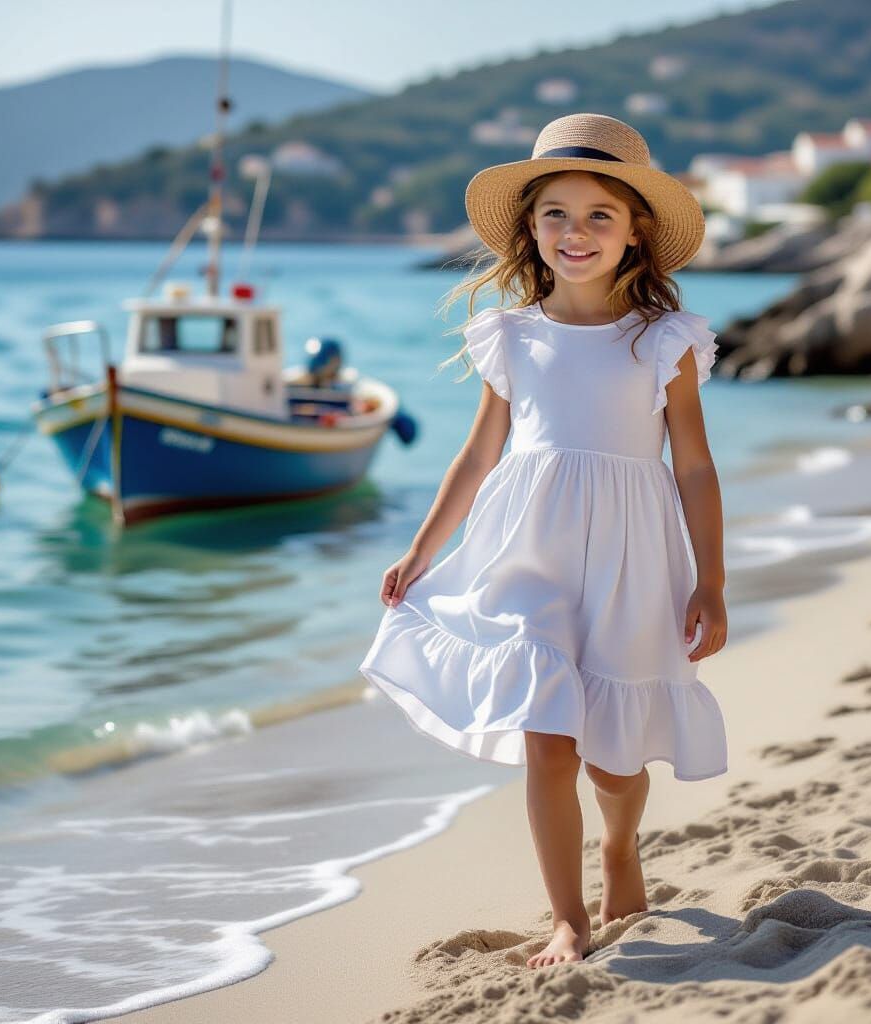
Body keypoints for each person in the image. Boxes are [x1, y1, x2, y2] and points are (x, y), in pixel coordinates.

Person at [358, 113, 728, 969]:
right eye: (555, 212)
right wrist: (420, 552)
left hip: (633, 562)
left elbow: (697, 470)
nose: (575, 231)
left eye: (600, 213)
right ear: (530, 227)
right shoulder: (512, 337)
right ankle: (569, 919)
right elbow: (481, 453)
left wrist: (710, 582)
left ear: (637, 231)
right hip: (527, 556)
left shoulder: (663, 342)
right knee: (547, 732)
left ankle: (620, 846)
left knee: (614, 758)